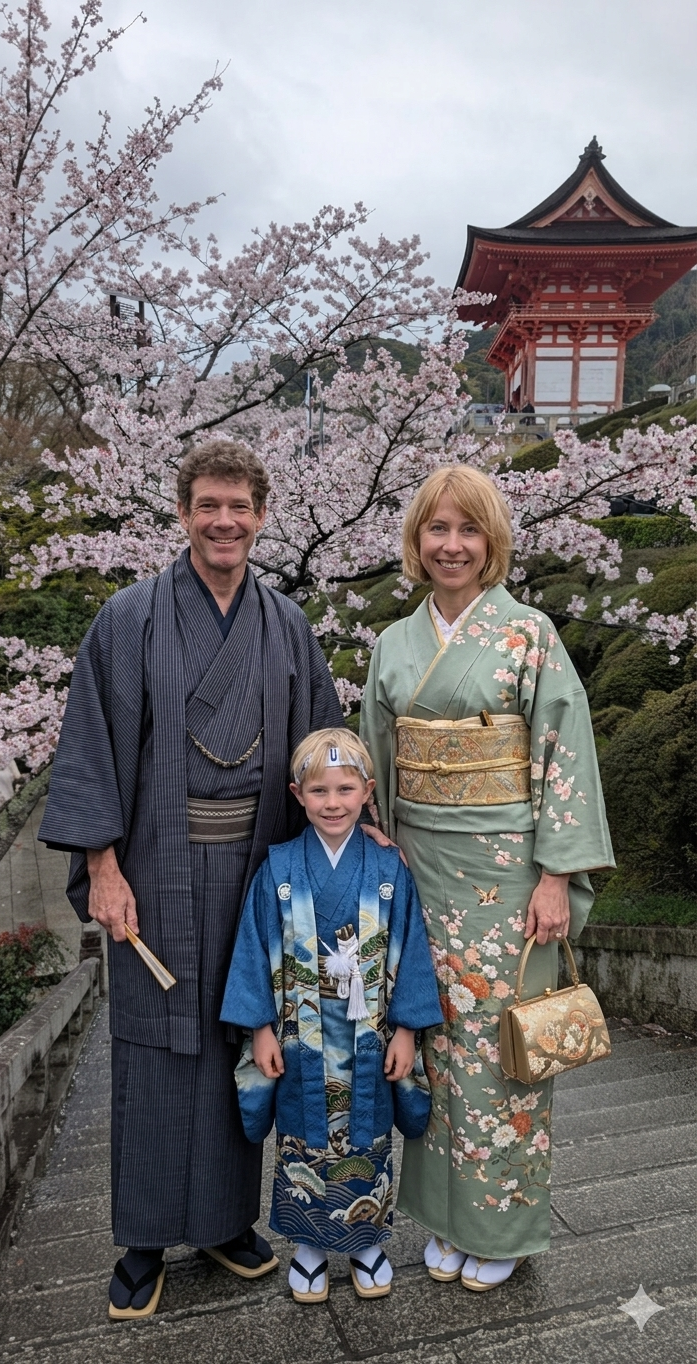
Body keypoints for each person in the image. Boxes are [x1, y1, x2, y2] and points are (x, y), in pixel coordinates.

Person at [39, 439, 343, 1319]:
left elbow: (323, 745)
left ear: (260, 515)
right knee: (153, 1043)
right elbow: (91, 747)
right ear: (182, 512)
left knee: (242, 1037)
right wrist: (101, 865)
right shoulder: (126, 619)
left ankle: (221, 1220)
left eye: (240, 506)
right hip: (157, 866)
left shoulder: (285, 622)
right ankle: (141, 1239)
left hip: (256, 869)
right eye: (208, 505)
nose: (224, 521)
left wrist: (353, 839)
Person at [360, 466, 614, 1292]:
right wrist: (381, 852)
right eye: (437, 530)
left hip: (509, 877)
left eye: (469, 530)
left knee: (504, 1051)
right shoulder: (396, 644)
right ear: (417, 541)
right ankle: (442, 1217)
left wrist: (555, 874)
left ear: (492, 542)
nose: (452, 546)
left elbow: (563, 755)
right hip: (421, 870)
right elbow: (378, 765)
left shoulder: (529, 633)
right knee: (429, 1042)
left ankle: (500, 1222)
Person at [220, 729, 441, 1304]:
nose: (334, 802)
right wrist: (261, 1027)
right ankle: (309, 1248)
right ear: (297, 794)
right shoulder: (280, 867)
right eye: (319, 790)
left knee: (368, 1133)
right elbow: (254, 946)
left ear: (369, 791)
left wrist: (411, 1032)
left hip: (372, 1032)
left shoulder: (389, 870)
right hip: (300, 1033)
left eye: (346, 789)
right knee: (301, 1134)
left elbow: (411, 950)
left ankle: (368, 1244)